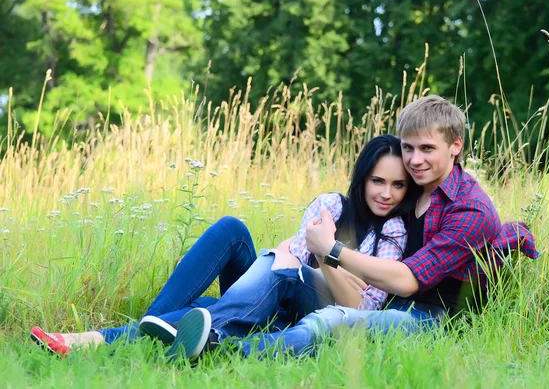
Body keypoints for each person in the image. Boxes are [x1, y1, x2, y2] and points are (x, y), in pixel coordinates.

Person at [167, 95, 539, 358]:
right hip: (371, 301)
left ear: (455, 146)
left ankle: (220, 350)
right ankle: (136, 332)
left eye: (427, 149)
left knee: (332, 320)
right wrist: (296, 249)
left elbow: (408, 279)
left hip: (427, 318)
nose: (414, 159)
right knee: (257, 274)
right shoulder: (411, 193)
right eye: (408, 148)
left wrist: (331, 251)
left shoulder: (470, 210)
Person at [30, 134, 420, 357]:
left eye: (397, 185)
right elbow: (288, 258)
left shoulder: (395, 232)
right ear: (361, 178)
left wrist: (326, 253)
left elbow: (356, 307)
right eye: (377, 181)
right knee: (234, 232)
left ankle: (165, 331)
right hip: (272, 297)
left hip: (306, 311)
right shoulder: (331, 204)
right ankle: (150, 325)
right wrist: (330, 268)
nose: (386, 193)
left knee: (271, 276)